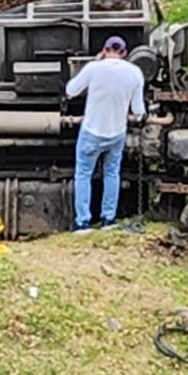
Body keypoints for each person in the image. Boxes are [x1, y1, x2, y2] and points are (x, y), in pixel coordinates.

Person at [65, 36, 146, 232]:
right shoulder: (135, 72)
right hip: (116, 132)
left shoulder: (94, 68)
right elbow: (138, 110)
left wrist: (95, 60)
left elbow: (71, 90)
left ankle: (83, 221)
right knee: (112, 173)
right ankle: (108, 219)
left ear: (104, 49)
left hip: (92, 130)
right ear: (125, 53)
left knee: (83, 174)